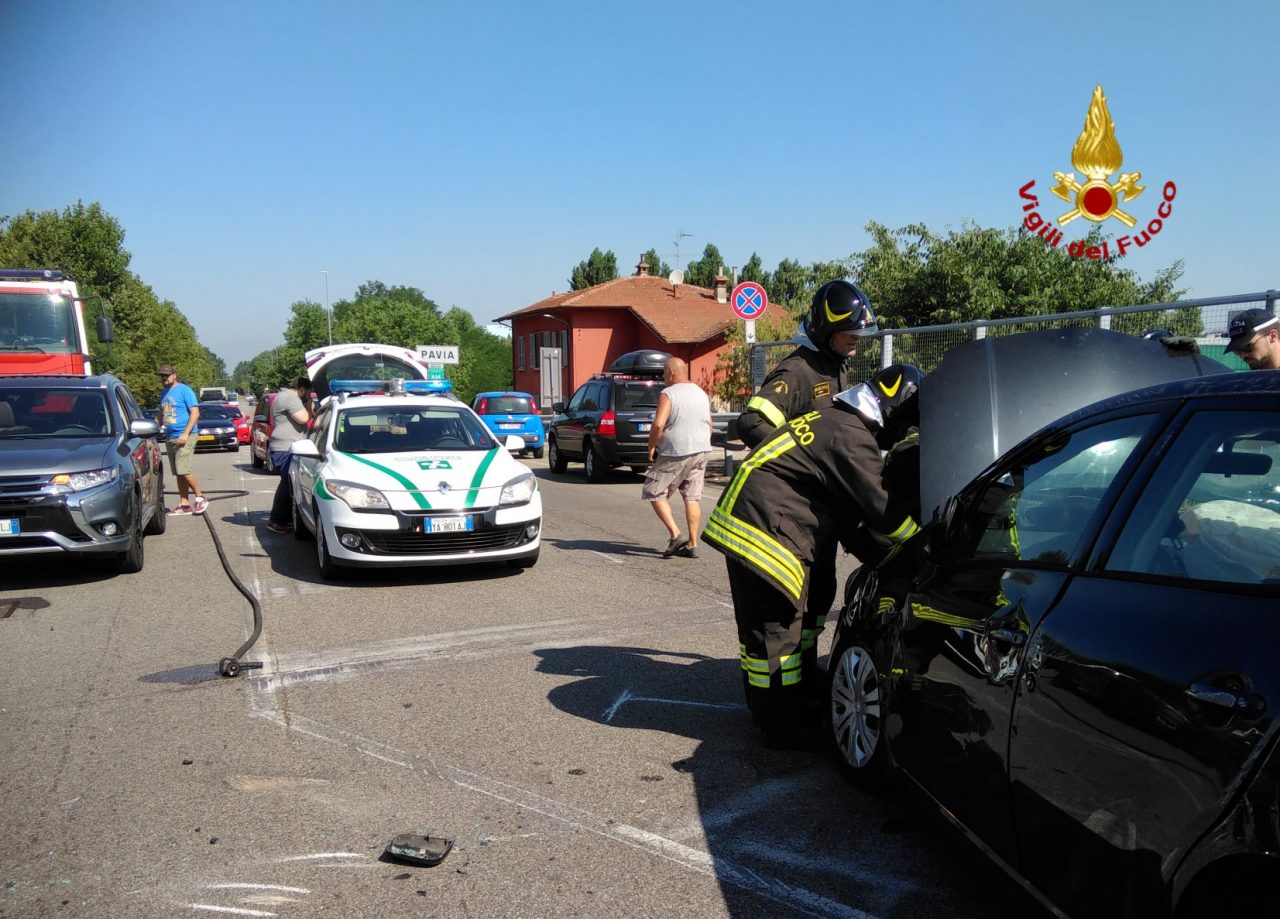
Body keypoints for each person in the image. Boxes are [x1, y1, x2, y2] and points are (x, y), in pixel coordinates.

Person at [703, 382, 918, 749]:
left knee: (802, 615)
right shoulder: (852, 439)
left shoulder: (835, 423)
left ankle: (793, 701)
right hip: (764, 527)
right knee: (777, 630)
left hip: (761, 519)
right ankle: (779, 724)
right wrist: (921, 545)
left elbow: (850, 518)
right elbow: (882, 512)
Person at [733, 279, 878, 716]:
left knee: (816, 603)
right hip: (787, 515)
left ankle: (800, 685)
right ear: (823, 329)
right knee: (779, 619)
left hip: (816, 521)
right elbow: (752, 423)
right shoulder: (798, 372)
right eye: (849, 334)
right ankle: (775, 714)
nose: (855, 342)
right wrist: (799, 460)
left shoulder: (835, 367)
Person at [642, 357, 713, 559]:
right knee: (692, 496)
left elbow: (658, 425)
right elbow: (710, 424)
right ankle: (692, 543)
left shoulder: (668, 393)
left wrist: (652, 446)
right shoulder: (700, 392)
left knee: (653, 490)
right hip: (701, 450)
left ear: (672, 373)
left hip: (676, 451)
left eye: (664, 373)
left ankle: (675, 535)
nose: (663, 377)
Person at [158, 363, 208, 515]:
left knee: (183, 468)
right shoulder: (164, 393)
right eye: (162, 376)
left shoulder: (185, 391)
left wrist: (185, 433)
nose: (164, 378)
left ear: (174, 375)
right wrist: (154, 427)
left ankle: (200, 497)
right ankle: (184, 503)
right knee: (179, 472)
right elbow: (162, 413)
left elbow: (195, 413)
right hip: (171, 437)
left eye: (167, 375)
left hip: (185, 435)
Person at [266, 376, 311, 534]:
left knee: (288, 484)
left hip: (285, 446)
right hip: (285, 448)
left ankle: (282, 518)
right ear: (302, 390)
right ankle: (277, 520)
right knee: (287, 484)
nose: (308, 397)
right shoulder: (290, 398)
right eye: (308, 393)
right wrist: (309, 405)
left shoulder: (284, 396)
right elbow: (304, 418)